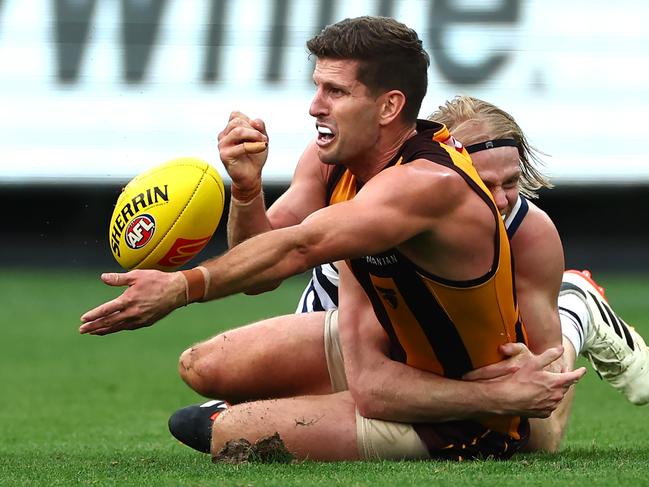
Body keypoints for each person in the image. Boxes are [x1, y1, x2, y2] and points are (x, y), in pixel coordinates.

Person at [80, 17, 584, 461]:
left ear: (389, 107)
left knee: (225, 431)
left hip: (461, 407)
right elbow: (265, 260)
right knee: (201, 365)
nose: (314, 107)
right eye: (317, 87)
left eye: (335, 92)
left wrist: (181, 287)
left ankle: (577, 310)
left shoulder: (425, 185)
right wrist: (248, 189)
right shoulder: (334, 161)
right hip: (392, 345)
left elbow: (299, 251)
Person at [296, 95, 649, 452]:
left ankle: (574, 310)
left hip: (465, 349)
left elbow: (545, 377)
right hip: (373, 340)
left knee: (538, 439)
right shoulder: (367, 221)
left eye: (510, 183)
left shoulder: (528, 232)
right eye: (483, 184)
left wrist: (532, 373)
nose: (499, 201)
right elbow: (369, 382)